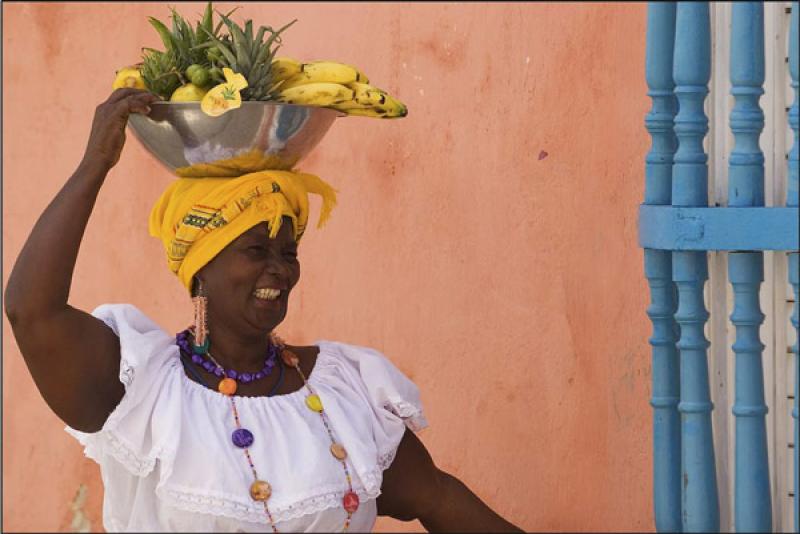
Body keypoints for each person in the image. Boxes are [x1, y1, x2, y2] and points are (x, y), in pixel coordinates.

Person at [4, 88, 524, 532]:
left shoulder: (341, 393)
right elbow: (31, 310)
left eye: (288, 252)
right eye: (256, 251)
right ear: (201, 268)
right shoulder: (140, 390)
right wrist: (96, 161)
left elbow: (438, 499)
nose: (280, 269)